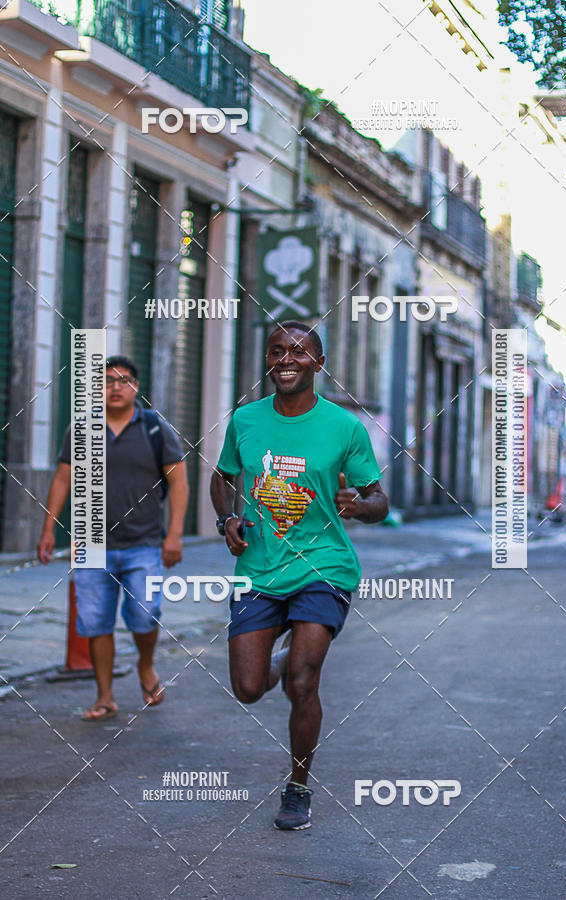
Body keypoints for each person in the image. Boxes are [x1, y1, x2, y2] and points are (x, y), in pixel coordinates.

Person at [210, 321, 389, 830]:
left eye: (299, 351)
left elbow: (379, 498)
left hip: (323, 567)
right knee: (247, 688)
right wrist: (228, 520)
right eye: (277, 351)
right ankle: (285, 654)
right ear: (267, 361)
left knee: (304, 682)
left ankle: (297, 787)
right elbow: (222, 478)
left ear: (318, 362)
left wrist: (360, 505)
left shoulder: (344, 427)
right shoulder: (246, 421)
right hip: (259, 570)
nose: (287, 359)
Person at [37, 356, 189, 721]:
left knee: (144, 614)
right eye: (107, 381)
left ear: (135, 387)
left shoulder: (155, 429)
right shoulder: (83, 429)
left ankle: (146, 666)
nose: (115, 387)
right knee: (96, 622)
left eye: (124, 380)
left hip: (144, 544)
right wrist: (47, 529)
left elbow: (178, 482)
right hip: (90, 545)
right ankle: (104, 696)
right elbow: (63, 478)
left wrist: (175, 535)